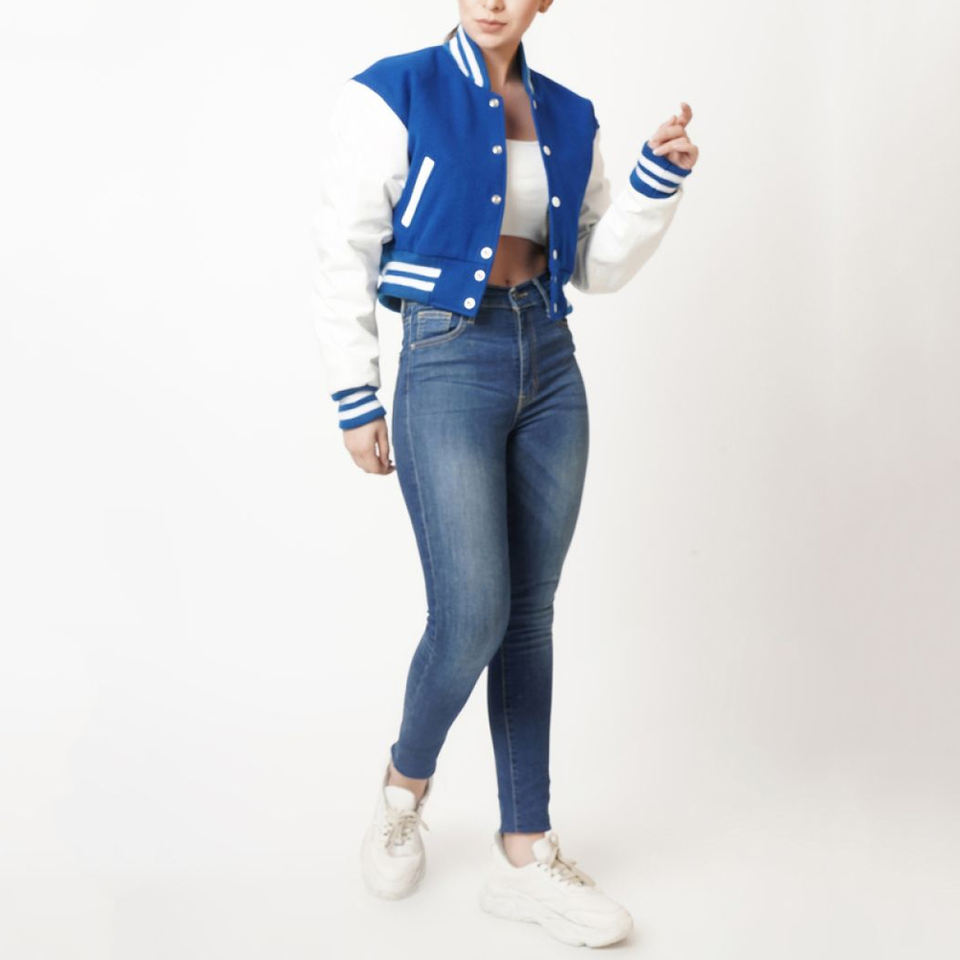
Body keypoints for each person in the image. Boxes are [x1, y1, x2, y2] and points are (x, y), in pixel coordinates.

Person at [311, 1, 698, 947]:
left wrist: (655, 183)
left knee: (529, 616)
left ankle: (526, 852)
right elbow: (344, 248)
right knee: (472, 612)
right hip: (445, 359)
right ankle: (404, 790)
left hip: (550, 363)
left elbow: (593, 267)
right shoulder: (392, 92)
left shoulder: (569, 113)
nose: (490, 0)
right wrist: (355, 394)